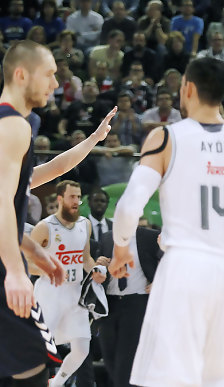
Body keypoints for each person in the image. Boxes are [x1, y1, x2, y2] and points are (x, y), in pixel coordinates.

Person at [107, 57, 224, 385]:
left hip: (186, 265)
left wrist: (121, 250)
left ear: (188, 88)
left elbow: (127, 207)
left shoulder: (166, 138)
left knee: (166, 376)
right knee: (216, 374)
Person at [0, 40, 116, 387]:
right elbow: (2, 201)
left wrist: (93, 139)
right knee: (36, 358)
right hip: (5, 269)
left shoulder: (10, 125)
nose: (55, 83)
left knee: (26, 361)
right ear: (21, 75)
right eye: (49, 74)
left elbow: (48, 171)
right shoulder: (13, 127)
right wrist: (16, 273)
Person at [30, 181, 107, 387]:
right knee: (41, 347)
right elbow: (28, 265)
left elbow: (86, 258)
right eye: (72, 197)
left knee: (82, 348)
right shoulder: (44, 227)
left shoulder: (85, 224)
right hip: (50, 291)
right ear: (60, 199)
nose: (77, 201)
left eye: (79, 197)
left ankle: (55, 384)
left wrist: (96, 272)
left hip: (75, 292)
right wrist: (50, 270)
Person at [97, 226, 162, 387]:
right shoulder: (106, 237)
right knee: (108, 355)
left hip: (137, 303)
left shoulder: (149, 236)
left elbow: (168, 260)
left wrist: (159, 281)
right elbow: (99, 268)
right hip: (109, 304)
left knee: (125, 359)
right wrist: (99, 265)